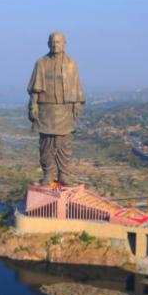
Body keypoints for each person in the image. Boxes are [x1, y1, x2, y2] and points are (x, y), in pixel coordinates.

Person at [27, 32, 85, 186]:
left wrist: (76, 104)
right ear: (48, 44)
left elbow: (75, 85)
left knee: (64, 145)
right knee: (46, 144)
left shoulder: (71, 63)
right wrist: (33, 105)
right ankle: (47, 174)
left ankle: (63, 174)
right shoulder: (41, 63)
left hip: (65, 109)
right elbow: (35, 89)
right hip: (46, 109)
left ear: (64, 44)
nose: (55, 45)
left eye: (58, 42)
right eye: (52, 42)